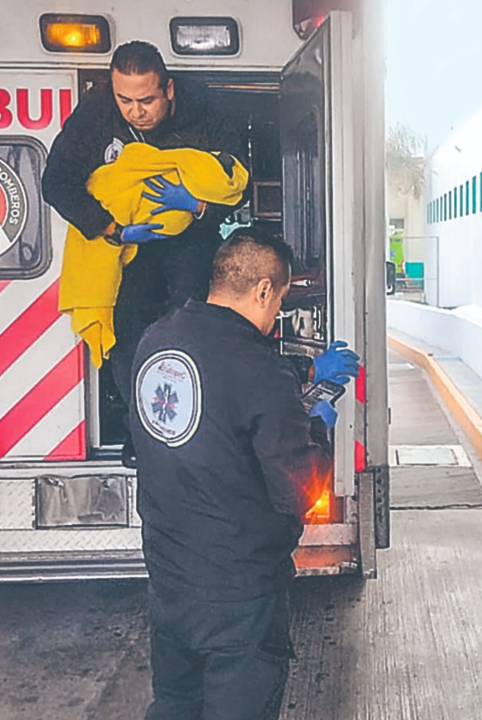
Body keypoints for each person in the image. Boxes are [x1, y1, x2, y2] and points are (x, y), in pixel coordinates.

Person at [132, 228, 358, 720]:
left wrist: (299, 381)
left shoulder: (158, 341)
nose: (275, 312)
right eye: (277, 300)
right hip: (238, 592)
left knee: (176, 706)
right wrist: (316, 427)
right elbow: (299, 489)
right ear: (261, 290)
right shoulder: (257, 367)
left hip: (170, 581)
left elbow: (216, 406)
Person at [42, 40, 247, 466]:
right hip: (128, 240)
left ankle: (193, 427)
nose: (136, 111)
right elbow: (56, 182)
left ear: (168, 90)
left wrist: (197, 204)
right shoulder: (98, 111)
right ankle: (143, 431)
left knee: (190, 324)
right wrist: (113, 228)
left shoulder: (204, 108)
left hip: (190, 234)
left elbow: (237, 179)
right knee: (128, 330)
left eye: (147, 100)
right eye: (126, 100)